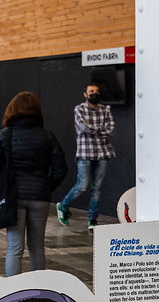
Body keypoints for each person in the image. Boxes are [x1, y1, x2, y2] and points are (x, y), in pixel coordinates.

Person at [0, 91, 67, 277]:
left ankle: (14, 289)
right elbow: (61, 168)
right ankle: (37, 287)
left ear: (12, 110)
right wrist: (47, 186)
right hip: (40, 196)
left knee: (14, 248)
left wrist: (2, 185)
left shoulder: (5, 135)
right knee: (37, 247)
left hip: (14, 196)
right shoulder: (47, 136)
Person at [56, 83, 114, 229]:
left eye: (97, 91)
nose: (94, 93)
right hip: (85, 153)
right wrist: (100, 129)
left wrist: (92, 129)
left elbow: (111, 129)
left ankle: (92, 220)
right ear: (85, 94)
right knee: (82, 186)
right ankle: (63, 205)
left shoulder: (105, 110)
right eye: (91, 91)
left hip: (102, 152)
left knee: (96, 189)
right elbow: (82, 127)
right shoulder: (79, 109)